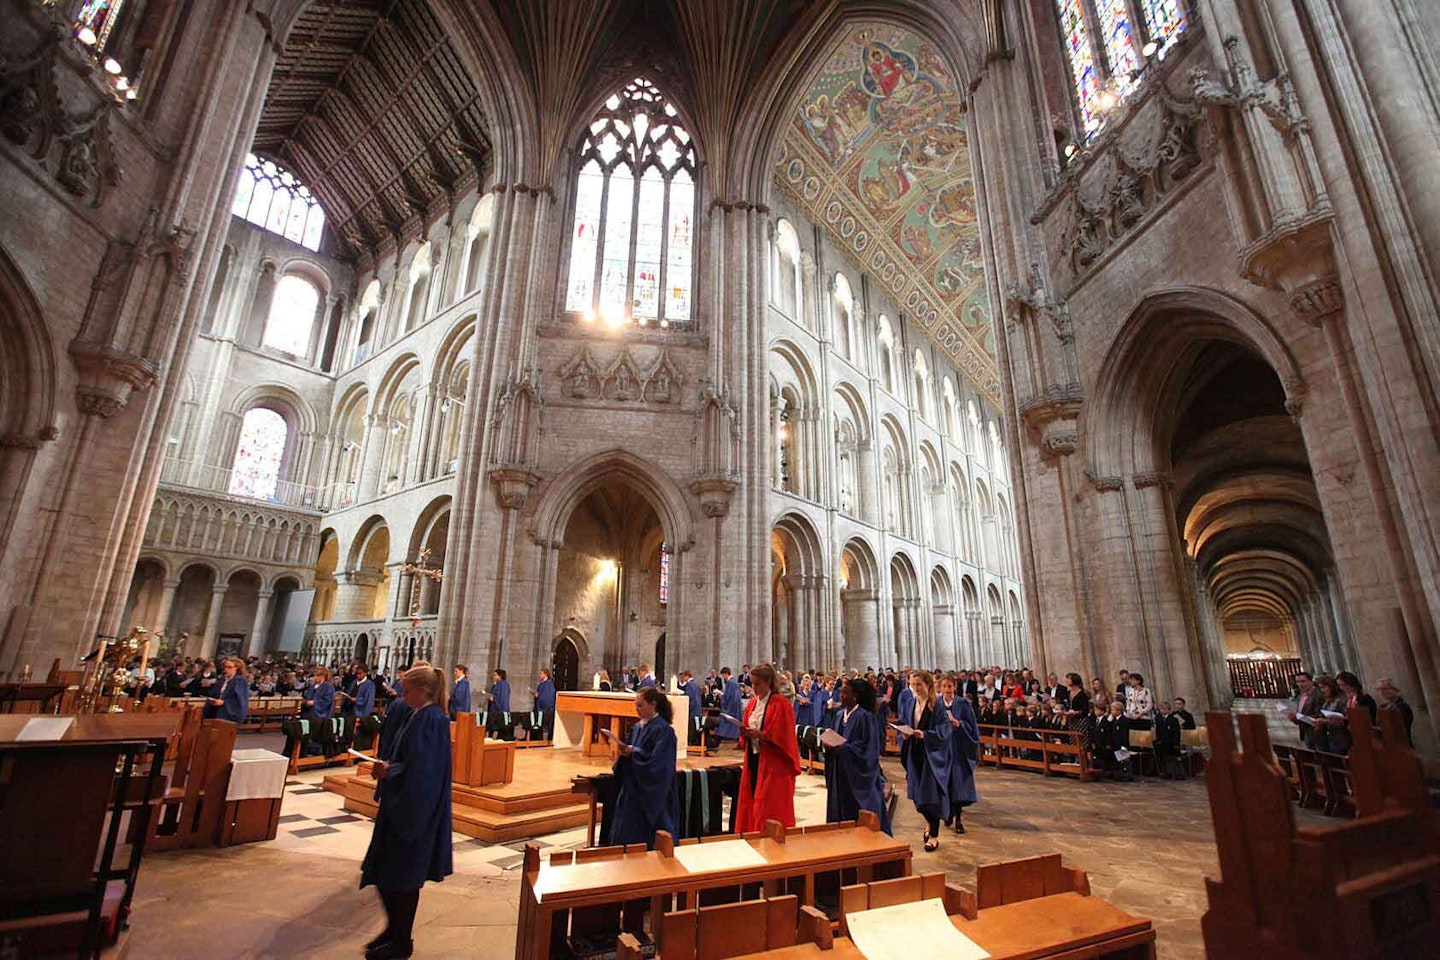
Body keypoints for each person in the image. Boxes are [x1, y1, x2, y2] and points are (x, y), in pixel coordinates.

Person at [360, 665, 454, 960]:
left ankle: (401, 941)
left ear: (423, 690)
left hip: (413, 812)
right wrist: (391, 768)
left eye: (407, 689)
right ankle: (394, 931)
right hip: (400, 805)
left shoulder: (433, 719)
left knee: (402, 877)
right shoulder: (417, 714)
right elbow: (411, 759)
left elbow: (425, 771)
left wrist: (392, 771)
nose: (402, 694)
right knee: (385, 873)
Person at [609, 686, 679, 847]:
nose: (636, 709)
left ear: (653, 704)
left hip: (652, 793)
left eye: (640, 705)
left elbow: (660, 764)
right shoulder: (637, 727)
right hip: (634, 788)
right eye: (636, 705)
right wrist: (626, 754)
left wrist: (634, 752)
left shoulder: (663, 730)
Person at [735, 664, 801, 832]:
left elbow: (784, 736)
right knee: (752, 800)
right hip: (754, 759)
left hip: (774, 763)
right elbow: (747, 727)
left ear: (769, 682)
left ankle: (772, 836)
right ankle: (752, 832)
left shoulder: (781, 704)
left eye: (757, 684)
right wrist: (744, 732)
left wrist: (762, 735)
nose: (754, 688)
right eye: (752, 684)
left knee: (768, 805)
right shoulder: (752, 704)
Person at [823, 677, 890, 833]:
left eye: (845, 693)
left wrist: (844, 749)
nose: (841, 696)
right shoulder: (839, 715)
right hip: (841, 772)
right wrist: (829, 744)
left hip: (857, 776)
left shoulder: (865, 717)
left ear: (855, 696)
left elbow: (868, 750)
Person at [897, 670, 951, 852]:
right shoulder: (911, 703)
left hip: (930, 755)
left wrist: (926, 734)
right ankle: (928, 821)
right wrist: (904, 734)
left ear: (927, 684)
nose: (915, 688)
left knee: (929, 797)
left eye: (919, 684)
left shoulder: (937, 705)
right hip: (914, 752)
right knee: (917, 797)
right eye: (912, 684)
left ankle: (934, 836)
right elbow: (904, 722)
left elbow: (944, 730)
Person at [937, 675, 978, 834]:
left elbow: (972, 726)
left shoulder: (963, 704)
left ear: (954, 687)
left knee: (958, 785)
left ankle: (958, 819)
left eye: (950, 686)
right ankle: (948, 813)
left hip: (958, 749)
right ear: (940, 688)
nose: (947, 689)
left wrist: (959, 724)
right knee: (945, 784)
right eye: (944, 686)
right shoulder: (936, 704)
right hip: (942, 750)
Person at [1285, 671, 1325, 749]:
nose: (1300, 684)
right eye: (1298, 682)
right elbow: (1300, 711)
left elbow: (1320, 713)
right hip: (1306, 731)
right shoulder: (1301, 695)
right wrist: (1294, 718)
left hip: (1318, 733)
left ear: (1311, 681)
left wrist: (1299, 718)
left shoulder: (1318, 694)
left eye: (1303, 681)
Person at [206, 657, 250, 724]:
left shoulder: (239, 681)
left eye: (229, 667)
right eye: (225, 667)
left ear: (236, 668)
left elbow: (240, 700)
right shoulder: (222, 679)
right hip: (215, 711)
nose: (226, 669)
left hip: (228, 713)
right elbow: (214, 693)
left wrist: (224, 703)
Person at [1375, 678, 1414, 745]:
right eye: (1380, 690)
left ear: (1395, 689)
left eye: (1386, 689)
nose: (1383, 692)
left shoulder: (1403, 707)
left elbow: (1400, 727)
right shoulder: (1384, 706)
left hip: (1401, 745)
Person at [678, 670, 705, 746]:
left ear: (687, 676)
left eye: (684, 677)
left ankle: (691, 742)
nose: (683, 679)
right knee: (696, 725)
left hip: (693, 708)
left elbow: (689, 697)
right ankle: (694, 742)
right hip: (697, 707)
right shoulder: (695, 683)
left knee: (692, 726)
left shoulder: (689, 684)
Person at [715, 668, 742, 741]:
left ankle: (725, 736)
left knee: (726, 721)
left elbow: (728, 697)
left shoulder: (730, 683)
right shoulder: (734, 682)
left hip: (730, 707)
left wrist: (721, 697)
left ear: (726, 674)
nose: (723, 677)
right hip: (736, 706)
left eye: (723, 675)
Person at [532, 668, 556, 741]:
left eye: (541, 673)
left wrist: (538, 696)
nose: (540, 675)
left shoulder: (548, 684)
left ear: (546, 674)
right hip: (540, 708)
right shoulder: (542, 684)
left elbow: (547, 697)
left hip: (545, 709)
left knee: (544, 726)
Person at [486, 668, 511, 738]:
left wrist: (493, 699)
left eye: (495, 675)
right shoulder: (500, 684)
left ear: (500, 676)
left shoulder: (501, 684)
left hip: (498, 709)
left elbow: (501, 697)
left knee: (496, 726)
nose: (493, 677)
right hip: (498, 708)